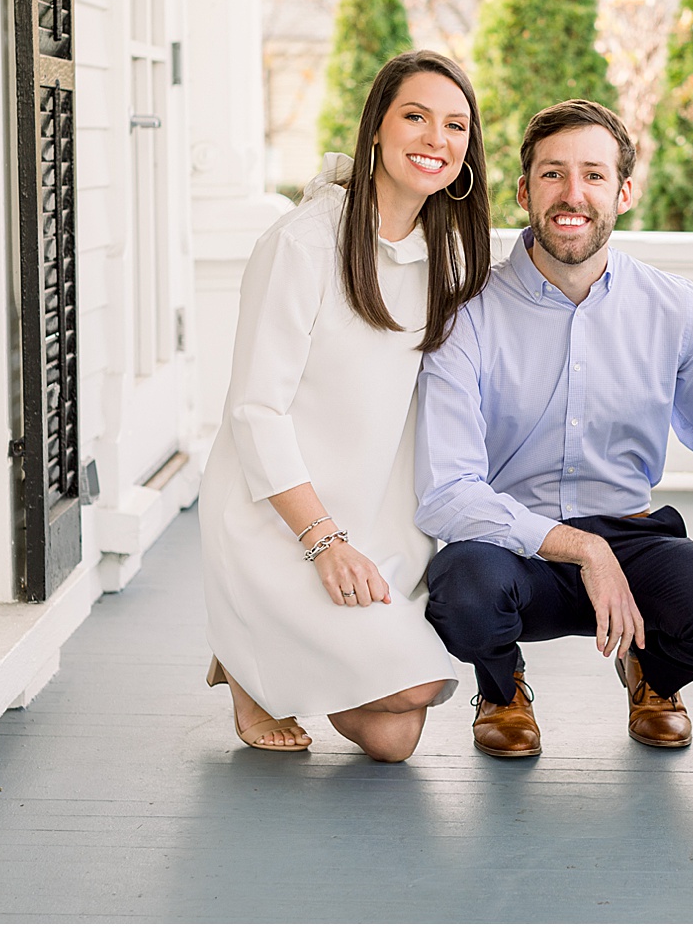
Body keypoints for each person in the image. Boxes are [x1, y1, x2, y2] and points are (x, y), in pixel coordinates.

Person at [413, 99, 693, 758]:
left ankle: (653, 672)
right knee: (461, 591)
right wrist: (585, 551)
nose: (572, 194)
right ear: (524, 188)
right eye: (553, 173)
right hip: (514, 545)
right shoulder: (468, 314)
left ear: (622, 190)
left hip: (635, 539)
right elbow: (448, 491)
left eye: (593, 175)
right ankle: (501, 687)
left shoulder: (671, 304)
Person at [199, 50, 491, 761]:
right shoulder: (303, 241)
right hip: (281, 524)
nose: (435, 139)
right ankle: (248, 657)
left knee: (394, 735)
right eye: (415, 117)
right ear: (376, 129)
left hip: (374, 528)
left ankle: (262, 654)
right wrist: (323, 542)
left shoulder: (444, 252)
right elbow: (255, 412)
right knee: (411, 691)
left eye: (455, 126)